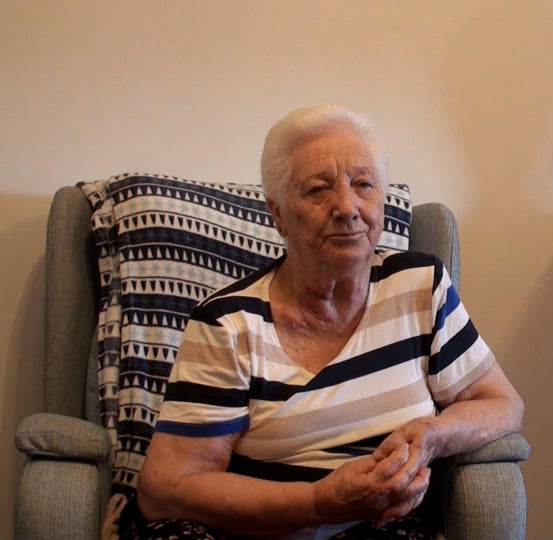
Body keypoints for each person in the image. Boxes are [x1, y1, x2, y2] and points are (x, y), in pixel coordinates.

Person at [121, 105, 525, 539]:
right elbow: (166, 489)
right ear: (278, 213)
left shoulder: (419, 286)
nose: (347, 207)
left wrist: (434, 435)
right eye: (318, 190)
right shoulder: (230, 323)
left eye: (363, 184)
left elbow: (502, 403)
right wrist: (318, 503)